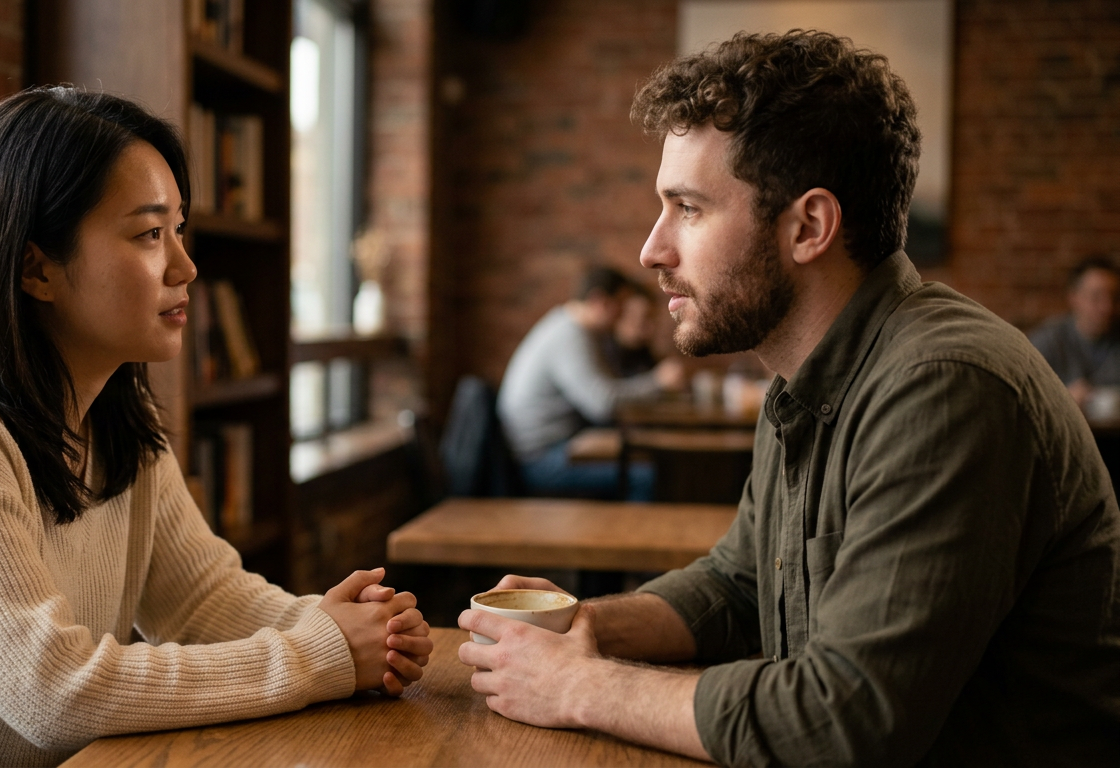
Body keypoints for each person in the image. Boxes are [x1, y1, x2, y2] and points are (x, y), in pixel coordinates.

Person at [458, 30, 1120, 766]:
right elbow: (739, 583)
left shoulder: (945, 386)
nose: (652, 249)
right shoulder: (802, 381)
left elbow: (845, 721)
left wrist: (581, 686)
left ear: (808, 227)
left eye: (688, 208)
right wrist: (582, 626)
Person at [0, 88, 432, 766]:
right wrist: (321, 653)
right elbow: (53, 692)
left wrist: (348, 630)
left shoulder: (114, 412)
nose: (185, 266)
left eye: (179, 230)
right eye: (149, 234)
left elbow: (201, 598)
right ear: (36, 268)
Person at [497, 267, 685, 500]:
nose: (623, 315)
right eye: (620, 305)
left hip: (554, 446)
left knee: (642, 456)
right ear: (600, 301)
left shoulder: (573, 329)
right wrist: (657, 382)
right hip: (538, 459)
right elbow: (603, 404)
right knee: (644, 475)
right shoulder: (569, 335)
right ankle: (633, 525)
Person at [1029, 255, 1120, 405]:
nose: (1107, 307)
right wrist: (1061, 400)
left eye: (1114, 297)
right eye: (1096, 297)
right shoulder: (1048, 341)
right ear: (1074, 297)